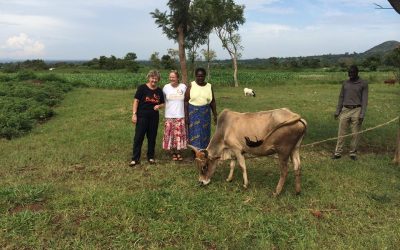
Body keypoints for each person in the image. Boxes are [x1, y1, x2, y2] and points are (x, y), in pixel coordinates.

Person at [332, 65, 368, 160]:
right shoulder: (345, 83)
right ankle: (338, 153)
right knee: (341, 132)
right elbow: (341, 97)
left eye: (352, 73)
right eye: (349, 73)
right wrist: (337, 111)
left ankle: (353, 153)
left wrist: (362, 114)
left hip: (357, 109)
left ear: (357, 73)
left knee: (355, 133)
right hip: (345, 109)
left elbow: (365, 100)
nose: (350, 75)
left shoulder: (363, 83)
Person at [130, 70, 165, 167]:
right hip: (142, 116)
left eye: (156, 78)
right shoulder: (142, 88)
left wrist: (159, 106)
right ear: (149, 78)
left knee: (152, 137)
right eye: (152, 78)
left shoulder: (159, 91)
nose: (154, 80)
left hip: (154, 117)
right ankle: (135, 158)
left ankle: (150, 156)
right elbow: (136, 101)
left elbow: (162, 103)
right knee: (138, 137)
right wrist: (134, 114)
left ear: (158, 79)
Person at [184, 67, 218, 151]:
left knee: (204, 133)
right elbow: (185, 101)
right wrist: (186, 116)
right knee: (194, 133)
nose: (200, 78)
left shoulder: (209, 86)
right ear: (195, 76)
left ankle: (204, 151)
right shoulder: (191, 85)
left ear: (205, 76)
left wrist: (215, 115)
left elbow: (212, 101)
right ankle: (195, 152)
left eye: (202, 76)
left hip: (205, 113)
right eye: (198, 76)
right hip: (193, 113)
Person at [162, 70, 187, 161]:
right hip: (169, 115)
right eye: (170, 77)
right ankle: (173, 152)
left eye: (173, 77)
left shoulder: (183, 87)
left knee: (179, 134)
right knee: (171, 134)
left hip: (180, 114)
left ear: (177, 78)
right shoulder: (166, 87)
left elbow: (186, 100)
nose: (171, 79)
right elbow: (162, 100)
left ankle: (178, 152)